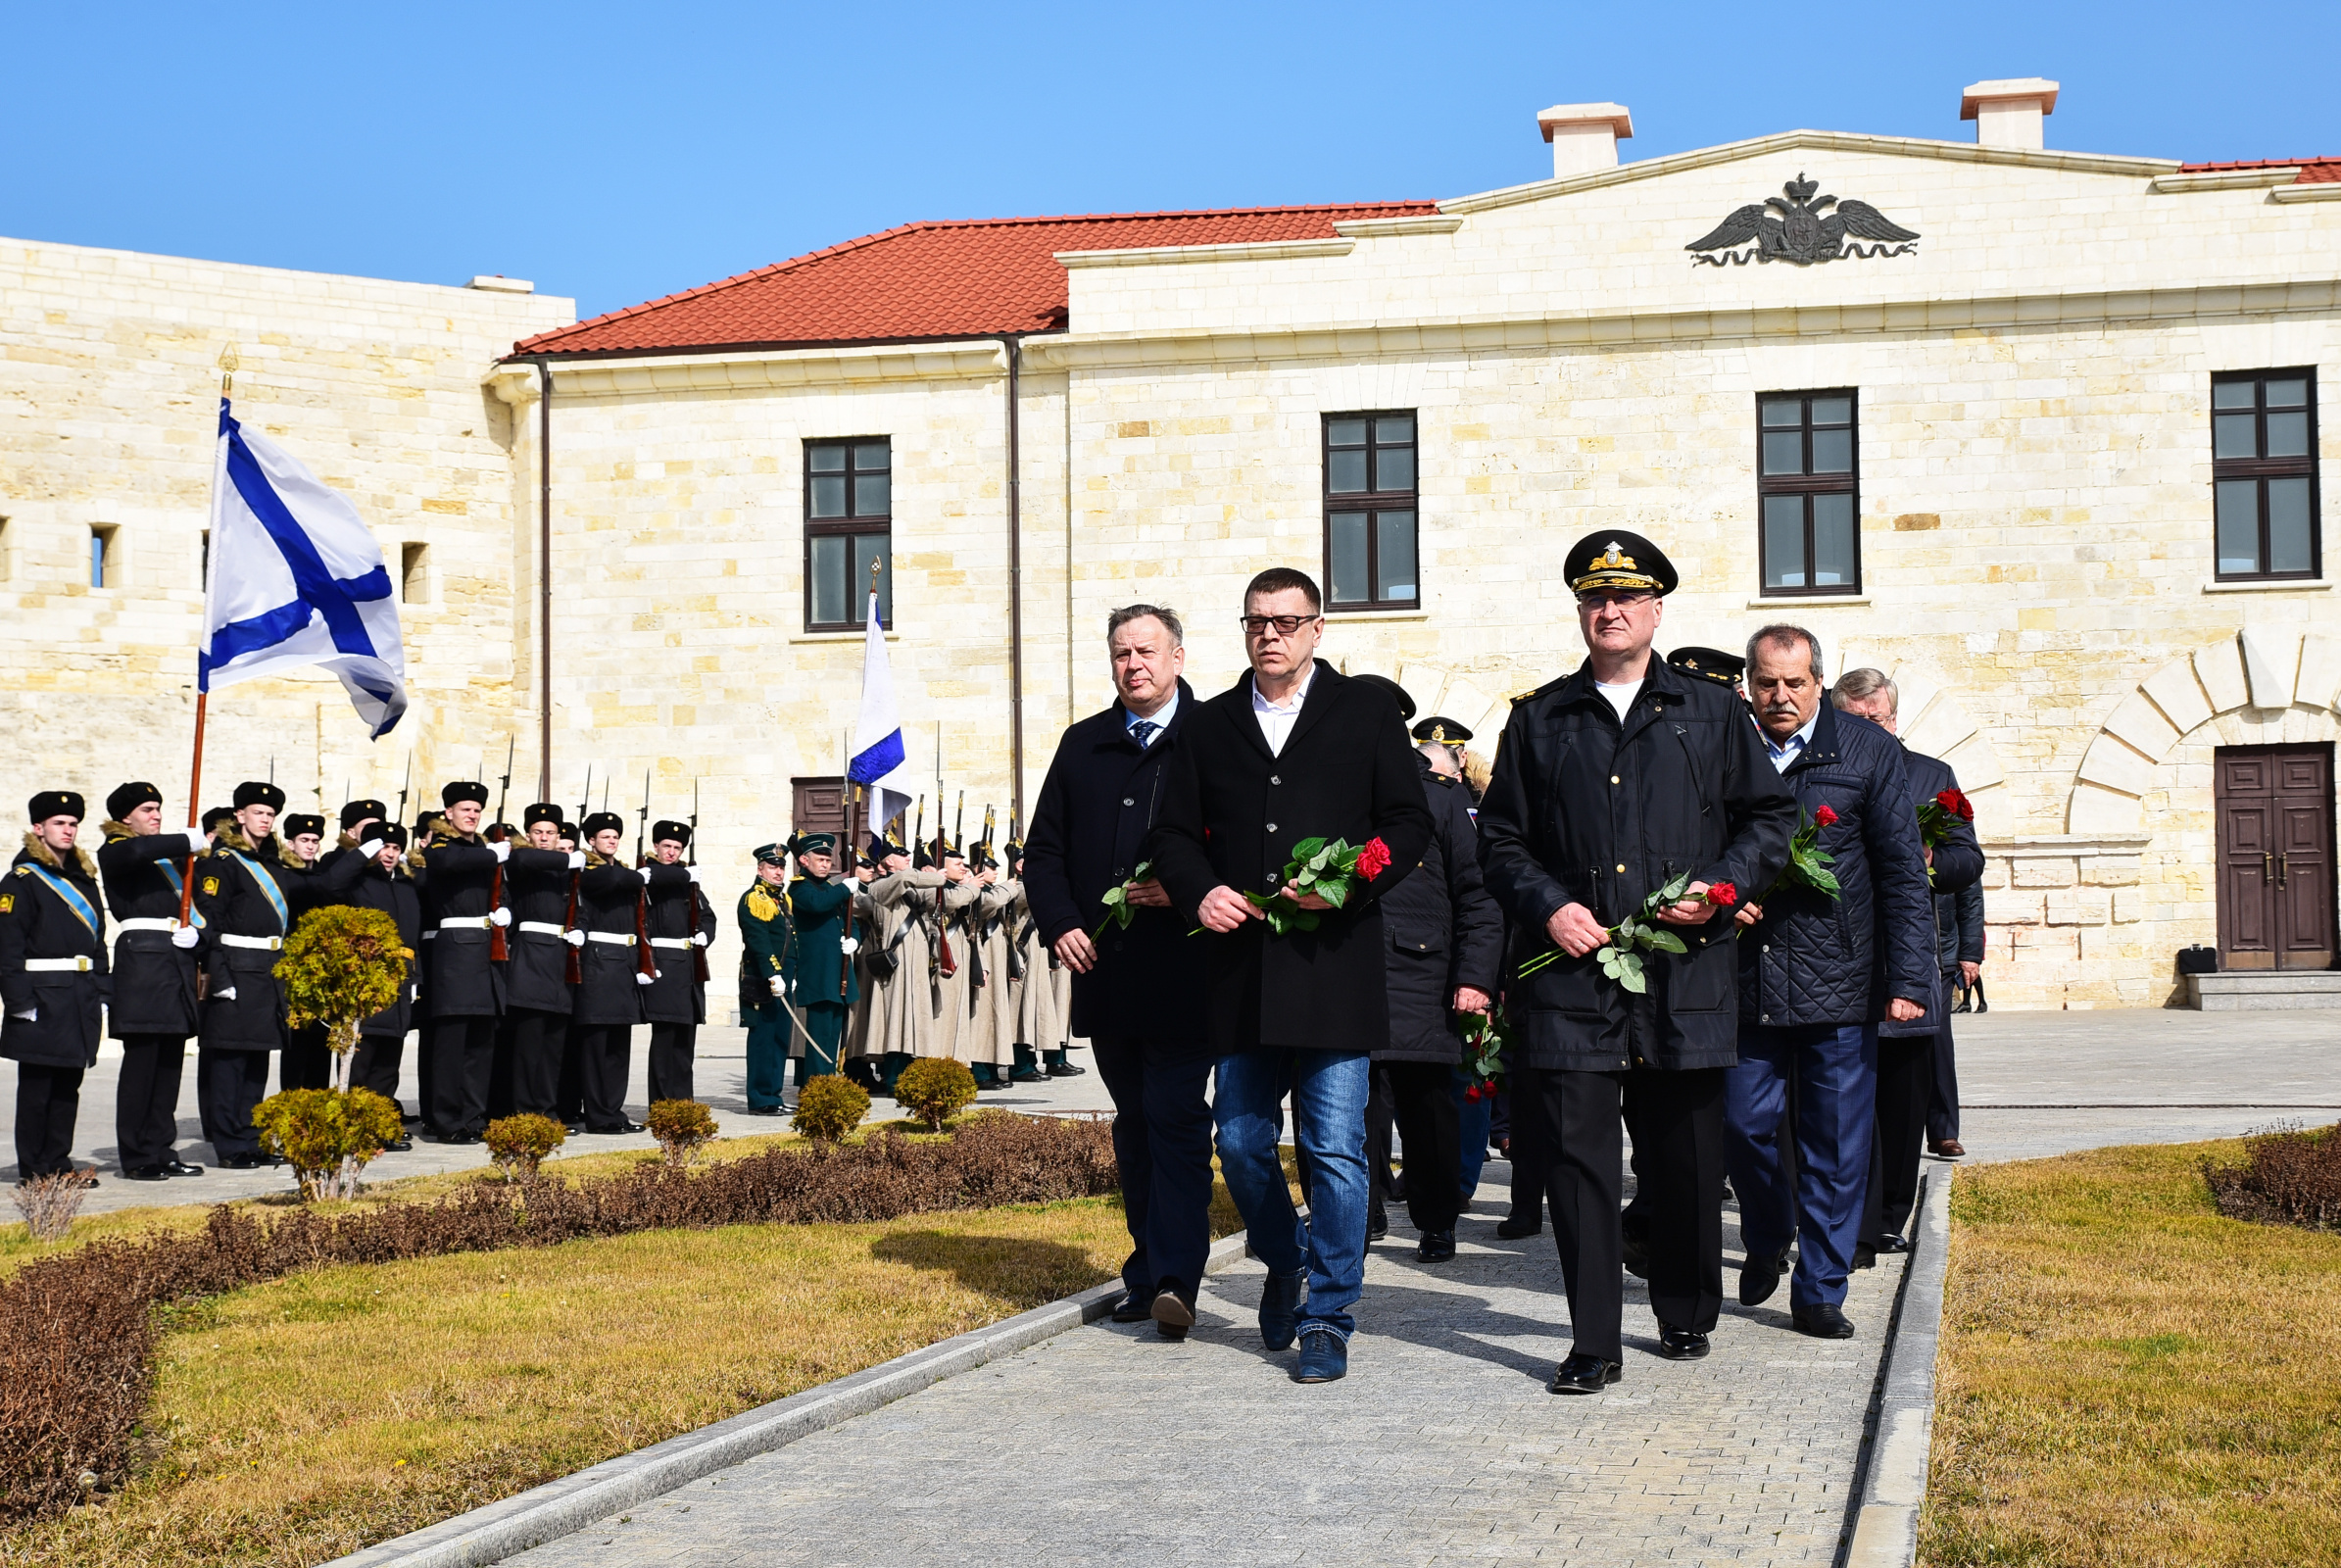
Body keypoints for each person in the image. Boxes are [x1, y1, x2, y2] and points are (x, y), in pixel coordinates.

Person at [1478, 533, 1795, 1393]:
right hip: (1572, 982)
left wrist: (1723, 889)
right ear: (1579, 610)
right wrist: (1550, 906)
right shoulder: (1540, 718)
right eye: (1593, 599)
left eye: (1624, 599)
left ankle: (1686, 1307)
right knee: (1577, 1166)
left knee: (1685, 1158)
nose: (1607, 612)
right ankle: (1591, 1341)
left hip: (1682, 975)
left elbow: (1767, 821)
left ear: (1655, 611)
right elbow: (1499, 842)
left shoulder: (1710, 710)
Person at [1150, 566, 1432, 1385]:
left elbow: (1406, 823)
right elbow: (1173, 836)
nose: (1268, 635)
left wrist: (1348, 882)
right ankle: (1285, 1255)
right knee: (1238, 1140)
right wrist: (1200, 892)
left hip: (1333, 964)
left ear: (1317, 630)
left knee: (1335, 1150)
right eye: (1254, 623)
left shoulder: (1365, 710)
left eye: (1284, 622)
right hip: (1241, 968)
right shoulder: (1207, 724)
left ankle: (1328, 1314)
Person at [1728, 628, 1934, 1340]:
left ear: (1818, 682)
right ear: (1747, 684)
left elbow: (1903, 872)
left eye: (1793, 683)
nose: (1778, 697)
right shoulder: (1726, 746)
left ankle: (1819, 1289)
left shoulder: (1866, 750)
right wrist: (1722, 895)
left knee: (1836, 1145)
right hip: (1743, 976)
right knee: (1741, 1125)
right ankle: (1764, 1232)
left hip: (1840, 980)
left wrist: (1908, 978)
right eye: (1765, 683)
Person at [1025, 602, 1215, 1338]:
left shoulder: (1213, 736)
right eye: (1119, 654)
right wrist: (1062, 921)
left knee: (1173, 1116)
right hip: (1106, 974)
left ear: (1177, 656)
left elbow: (1239, 845)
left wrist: (1187, 890)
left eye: (1145, 651)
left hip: (1188, 969)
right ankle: (1147, 1268)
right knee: (1133, 1124)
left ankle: (1175, 1277)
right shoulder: (1083, 745)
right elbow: (1042, 851)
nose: (1132, 664)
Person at [1831, 670, 1984, 1256]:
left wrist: (1927, 861)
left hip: (1911, 958)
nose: (1873, 728)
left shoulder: (1932, 777)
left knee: (1901, 1100)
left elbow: (1967, 860)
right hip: (1843, 961)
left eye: (1881, 718)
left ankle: (1890, 1216)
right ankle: (1849, 1219)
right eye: (1859, 719)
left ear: (1895, 718)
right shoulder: (1824, 771)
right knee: (1845, 1103)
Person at [1368, 723, 1504, 1261]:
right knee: (1347, 1108)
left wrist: (1474, 978)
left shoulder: (1440, 799)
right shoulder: (1334, 785)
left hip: (1421, 975)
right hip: (1346, 975)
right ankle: (1360, 1211)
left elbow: (1478, 894)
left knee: (1426, 1109)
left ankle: (1435, 1217)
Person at [95, 781, 210, 1181]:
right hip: (142, 966)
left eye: (158, 808)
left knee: (168, 1068)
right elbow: (137, 851)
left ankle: (162, 1149)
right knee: (142, 1067)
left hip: (175, 962)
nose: (156, 815)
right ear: (124, 817)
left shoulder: (172, 860)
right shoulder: (116, 850)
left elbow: (199, 909)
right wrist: (185, 840)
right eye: (147, 810)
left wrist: (200, 936)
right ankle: (137, 1155)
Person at [194, 781, 303, 1169]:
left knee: (257, 1063)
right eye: (258, 812)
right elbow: (210, 924)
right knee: (229, 1065)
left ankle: (251, 1137)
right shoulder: (221, 863)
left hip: (268, 975)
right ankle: (229, 1144)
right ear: (239, 816)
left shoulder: (272, 865)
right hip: (236, 973)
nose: (265, 819)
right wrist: (220, 980)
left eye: (270, 815)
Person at [4, 791, 109, 1184]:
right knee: (37, 1088)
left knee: (68, 1084)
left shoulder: (83, 880)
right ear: (38, 828)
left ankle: (58, 1161)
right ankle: (34, 1168)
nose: (68, 830)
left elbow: (98, 941)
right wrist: (19, 1003)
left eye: (72, 823)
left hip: (79, 994)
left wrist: (103, 990)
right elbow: (8, 947)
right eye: (59, 823)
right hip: (41, 996)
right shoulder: (21, 881)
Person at [412, 782, 510, 1144]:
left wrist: (504, 909)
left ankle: (473, 1116)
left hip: (486, 953)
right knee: (451, 1045)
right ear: (448, 814)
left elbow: (500, 886)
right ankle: (446, 1119)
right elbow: (447, 862)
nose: (472, 815)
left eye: (476, 811)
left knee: (480, 1045)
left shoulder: (485, 849)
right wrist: (494, 855)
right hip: (455, 954)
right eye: (465, 809)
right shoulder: (442, 844)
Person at [320, 817, 421, 1140]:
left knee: (388, 1061)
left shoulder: (405, 885)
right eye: (382, 847)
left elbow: (413, 938)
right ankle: (353, 1127)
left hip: (400, 979)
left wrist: (417, 976)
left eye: (394, 847)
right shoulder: (357, 881)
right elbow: (330, 884)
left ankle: (379, 1127)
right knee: (360, 1057)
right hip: (366, 979)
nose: (389, 853)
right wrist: (361, 855)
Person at [500, 803, 584, 1118]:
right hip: (531, 958)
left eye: (550, 833)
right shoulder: (523, 860)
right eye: (538, 832)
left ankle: (547, 1110)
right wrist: (568, 860)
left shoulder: (567, 870)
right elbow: (524, 857)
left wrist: (582, 933)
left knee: (553, 1045)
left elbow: (581, 908)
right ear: (528, 834)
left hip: (561, 959)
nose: (545, 837)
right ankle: (524, 1110)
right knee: (529, 1045)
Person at [570, 810, 648, 1134]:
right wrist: (642, 877)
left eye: (615, 836)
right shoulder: (588, 869)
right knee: (596, 1046)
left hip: (624, 963)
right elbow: (611, 881)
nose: (612, 840)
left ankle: (613, 1111)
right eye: (605, 836)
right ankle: (598, 1115)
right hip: (599, 963)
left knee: (618, 1046)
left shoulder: (624, 871)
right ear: (591, 840)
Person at [641, 820, 716, 1104]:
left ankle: (683, 1102)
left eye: (677, 847)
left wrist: (703, 936)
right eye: (666, 846)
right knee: (664, 1041)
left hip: (687, 968)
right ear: (656, 847)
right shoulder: (650, 876)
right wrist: (686, 877)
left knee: (685, 1043)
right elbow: (657, 877)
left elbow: (707, 916)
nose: (671, 852)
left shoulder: (689, 882)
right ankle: (661, 1103)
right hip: (664, 965)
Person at [784, 831, 858, 1092]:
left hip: (838, 970)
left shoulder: (830, 888)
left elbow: (852, 921)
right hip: (818, 972)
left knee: (833, 1034)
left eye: (828, 860)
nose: (826, 864)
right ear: (804, 860)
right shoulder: (799, 887)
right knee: (819, 1035)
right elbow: (817, 905)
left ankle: (827, 1083)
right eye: (820, 859)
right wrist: (843, 888)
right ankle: (816, 1088)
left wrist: (854, 940)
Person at [738, 844, 796, 1114]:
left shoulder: (781, 899)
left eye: (782, 867)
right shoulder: (754, 898)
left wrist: (792, 974)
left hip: (784, 979)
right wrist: (773, 973)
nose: (778, 872)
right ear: (760, 869)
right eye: (773, 867)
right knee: (763, 1039)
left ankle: (773, 1095)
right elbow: (758, 940)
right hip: (762, 981)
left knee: (779, 1039)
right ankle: (760, 1098)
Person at [1932, 881, 1984, 1154]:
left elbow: (1970, 897)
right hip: (1885, 951)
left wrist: (1970, 953)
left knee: (1938, 1042)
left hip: (1942, 952)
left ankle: (1944, 1131)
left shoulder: (1948, 839)